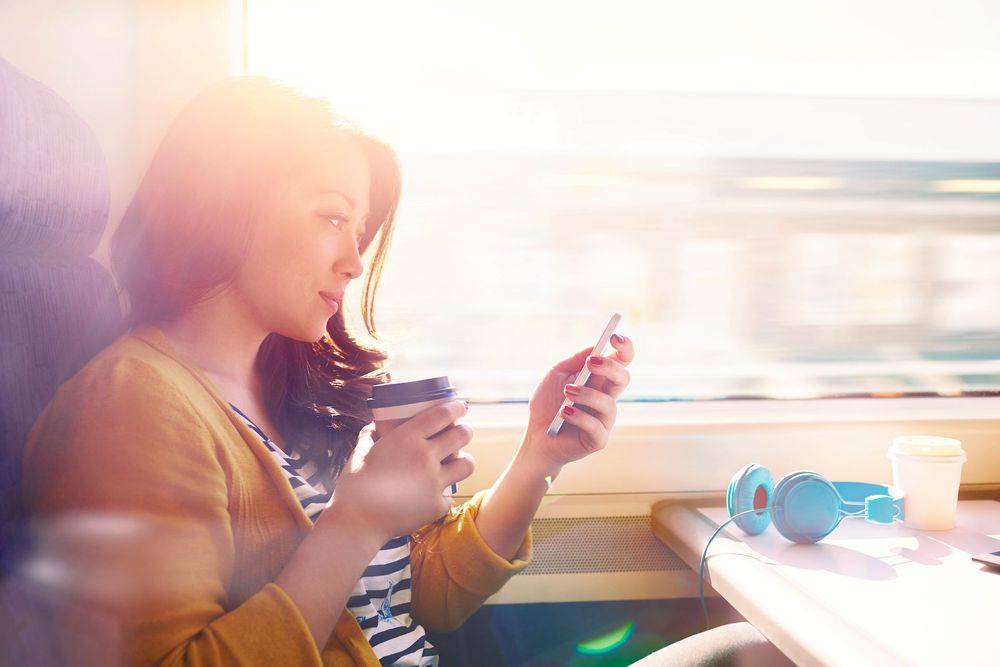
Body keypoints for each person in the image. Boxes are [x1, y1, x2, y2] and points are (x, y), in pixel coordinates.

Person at [19, 76, 636, 666]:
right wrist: (357, 518)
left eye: (360, 232)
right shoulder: (130, 407)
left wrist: (538, 458)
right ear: (228, 201)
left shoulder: (284, 388)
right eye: (334, 219)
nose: (353, 263)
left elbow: (408, 608)